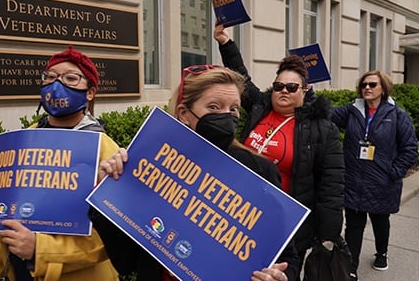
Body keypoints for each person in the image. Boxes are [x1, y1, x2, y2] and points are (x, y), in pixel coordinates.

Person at [90, 65, 300, 281]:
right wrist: (108, 188)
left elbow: (287, 258)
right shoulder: (154, 168)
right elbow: (127, 262)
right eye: (214, 106)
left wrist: (277, 276)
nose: (226, 116)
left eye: (234, 109)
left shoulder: (260, 172)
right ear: (184, 113)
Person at [0, 46, 120, 281]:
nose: (57, 85)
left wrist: (40, 249)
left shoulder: (105, 150)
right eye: (50, 77)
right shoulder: (24, 140)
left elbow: (111, 238)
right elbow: (4, 224)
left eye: (70, 78)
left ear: (90, 92)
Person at [214, 25, 345, 281]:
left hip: (286, 224)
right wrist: (226, 43)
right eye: (278, 85)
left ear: (305, 91)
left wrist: (328, 237)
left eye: (292, 87)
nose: (284, 90)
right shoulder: (260, 107)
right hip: (240, 213)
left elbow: (332, 186)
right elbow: (241, 77)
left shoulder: (322, 128)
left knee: (279, 275)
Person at [331, 70, 418, 280]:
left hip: (382, 182)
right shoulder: (352, 111)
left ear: (383, 88)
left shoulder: (397, 115)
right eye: (364, 85)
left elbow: (410, 148)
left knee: (380, 221)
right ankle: (351, 268)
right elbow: (326, 113)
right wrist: (308, 90)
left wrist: (394, 172)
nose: (367, 88)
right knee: (353, 225)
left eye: (372, 84)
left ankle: (382, 252)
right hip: (354, 180)